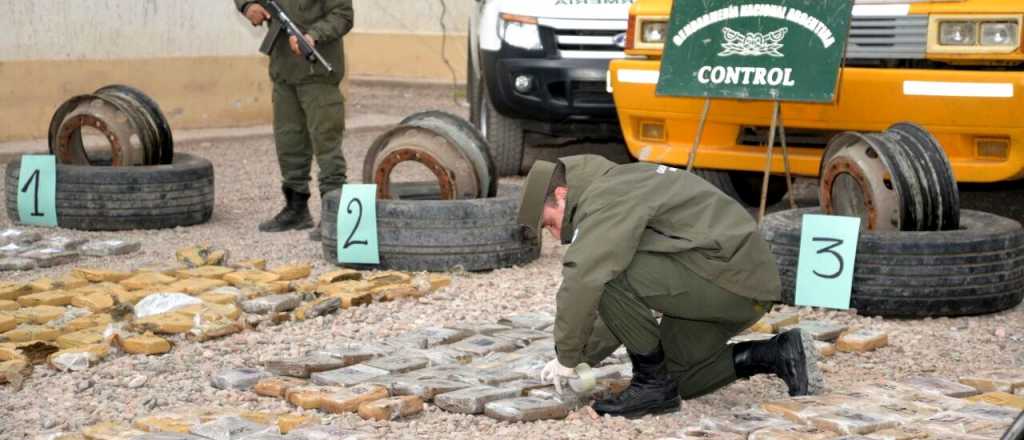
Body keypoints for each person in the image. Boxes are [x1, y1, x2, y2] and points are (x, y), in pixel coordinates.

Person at [517, 155, 824, 419]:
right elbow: (619, 310)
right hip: (729, 284)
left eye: (550, 223)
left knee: (605, 271)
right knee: (679, 379)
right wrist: (581, 358)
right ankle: (776, 353)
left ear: (562, 193)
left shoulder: (608, 193)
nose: (557, 236)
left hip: (730, 280)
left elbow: (586, 279)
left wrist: (568, 355)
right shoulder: (616, 186)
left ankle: (650, 385)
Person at [235, 0, 353, 240]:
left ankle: (334, 215)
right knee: (289, 142)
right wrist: (247, 6)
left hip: (316, 74)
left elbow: (343, 15)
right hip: (283, 71)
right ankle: (296, 209)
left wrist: (313, 36)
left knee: (326, 144)